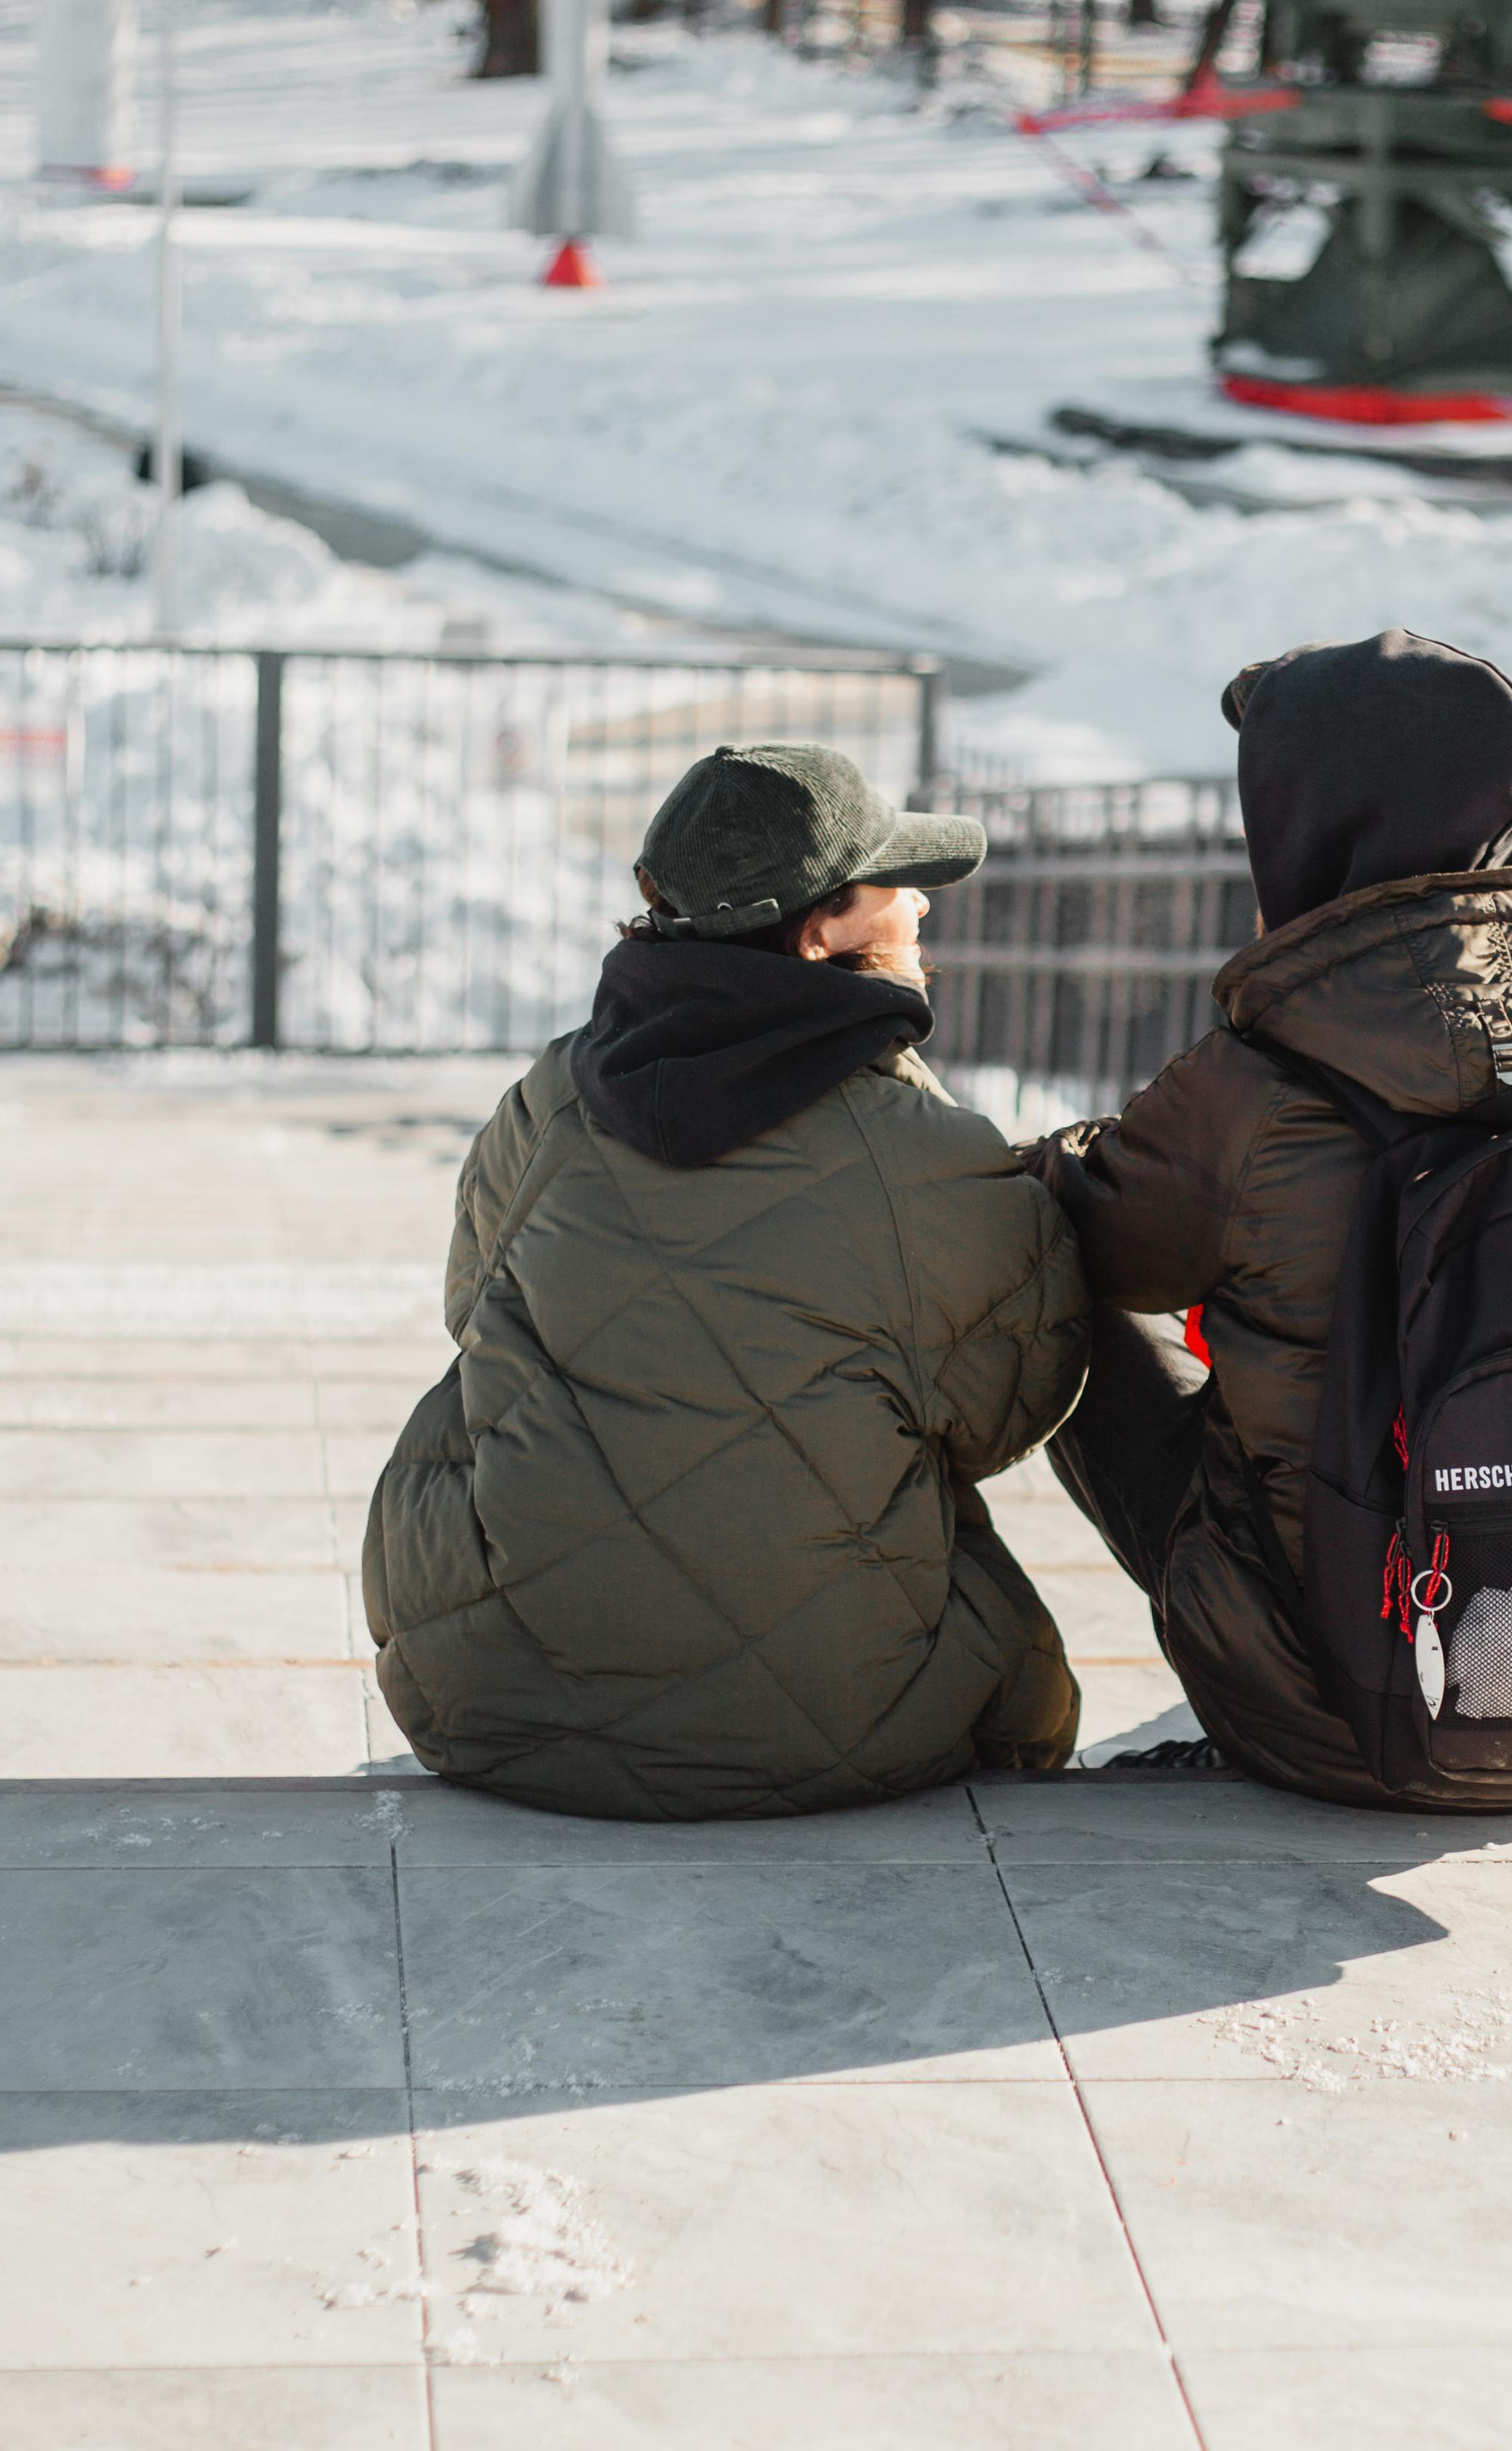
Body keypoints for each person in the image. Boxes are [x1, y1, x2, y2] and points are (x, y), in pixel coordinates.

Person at [1022, 630, 1512, 1805]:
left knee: (1057, 1291)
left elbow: (1092, 1231)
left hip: (1321, 1717)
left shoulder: (1256, 1079)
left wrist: (1062, 1160)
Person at [365, 741, 1090, 1819]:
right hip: (841, 1724)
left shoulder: (555, 1095)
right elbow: (1006, 1413)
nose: (923, 913)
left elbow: (472, 1306)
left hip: (485, 1694)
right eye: (897, 889)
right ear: (823, 931)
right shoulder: (937, 1157)